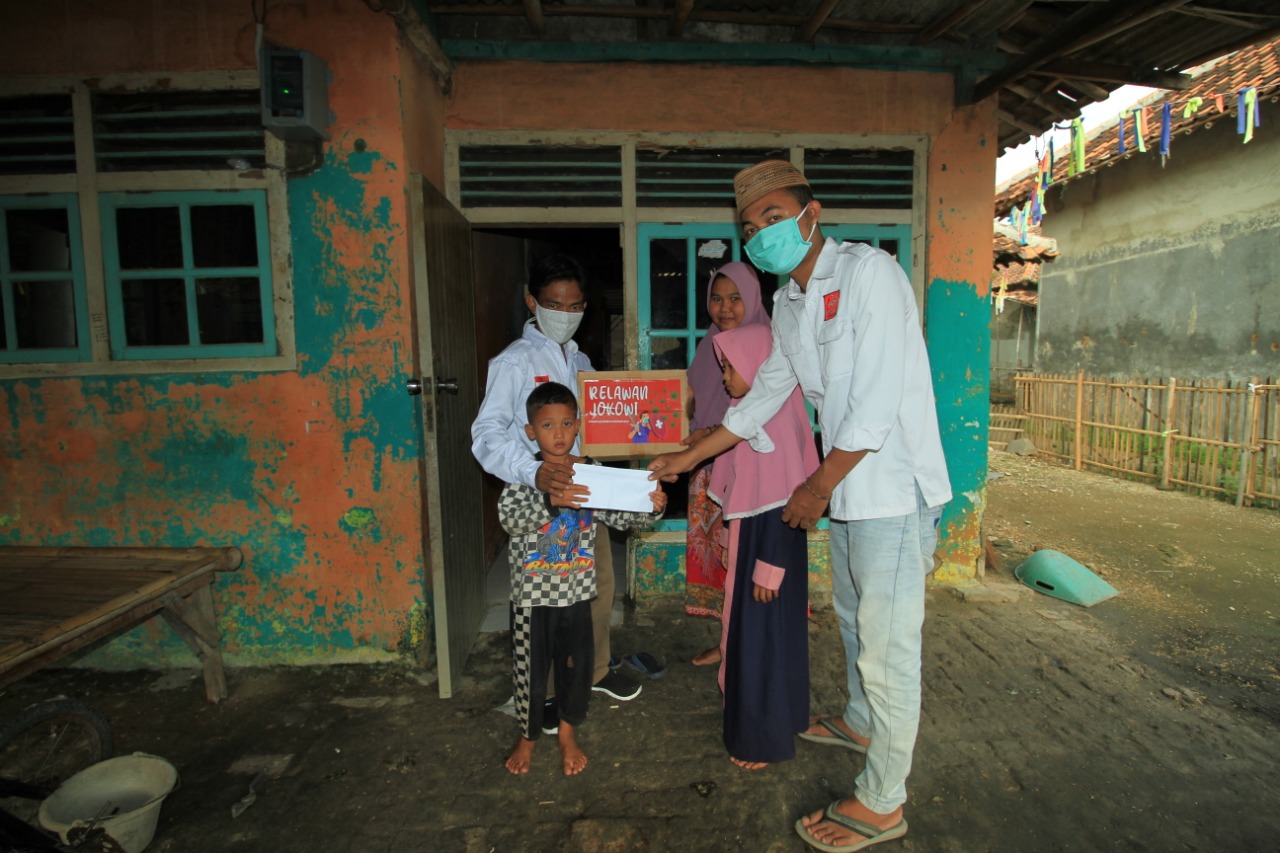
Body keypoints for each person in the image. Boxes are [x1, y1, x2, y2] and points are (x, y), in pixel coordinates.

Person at [648, 160, 951, 852]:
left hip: (892, 491)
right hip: (848, 494)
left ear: (811, 213)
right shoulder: (787, 304)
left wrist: (814, 487)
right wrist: (693, 455)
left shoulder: (870, 276)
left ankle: (882, 798)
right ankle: (859, 719)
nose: (763, 232)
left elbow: (873, 407)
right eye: (751, 226)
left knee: (888, 648)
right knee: (850, 620)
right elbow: (763, 396)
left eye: (774, 216)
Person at [472, 253, 643, 722]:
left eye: (575, 306)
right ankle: (543, 692)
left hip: (585, 493)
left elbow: (596, 426)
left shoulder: (582, 360)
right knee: (544, 599)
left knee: (598, 583)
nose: (565, 315)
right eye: (554, 304)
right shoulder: (513, 361)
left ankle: (596, 670)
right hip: (540, 496)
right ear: (533, 302)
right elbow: (486, 434)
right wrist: (533, 474)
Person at [499, 382, 666, 776]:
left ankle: (568, 732)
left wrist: (652, 506)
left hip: (577, 594)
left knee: (576, 667)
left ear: (579, 426)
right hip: (532, 598)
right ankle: (527, 736)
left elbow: (622, 516)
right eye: (547, 425)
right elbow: (510, 519)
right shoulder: (523, 474)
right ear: (530, 432)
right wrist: (548, 501)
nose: (558, 434)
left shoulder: (592, 473)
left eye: (567, 424)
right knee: (530, 669)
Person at [707, 323, 818, 771]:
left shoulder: (773, 424)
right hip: (761, 545)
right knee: (771, 641)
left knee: (760, 645)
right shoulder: (753, 416)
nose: (725, 377)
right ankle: (783, 717)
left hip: (770, 550)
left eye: (731, 367)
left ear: (759, 367)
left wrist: (769, 568)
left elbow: (785, 502)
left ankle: (760, 740)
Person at [683, 262, 770, 667]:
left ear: (752, 299)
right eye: (717, 298)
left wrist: (710, 433)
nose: (725, 308)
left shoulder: (767, 347)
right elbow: (690, 402)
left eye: (735, 298)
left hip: (749, 474)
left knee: (745, 561)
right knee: (720, 563)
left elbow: (766, 414)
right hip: (706, 468)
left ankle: (746, 643)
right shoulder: (709, 344)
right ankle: (727, 640)